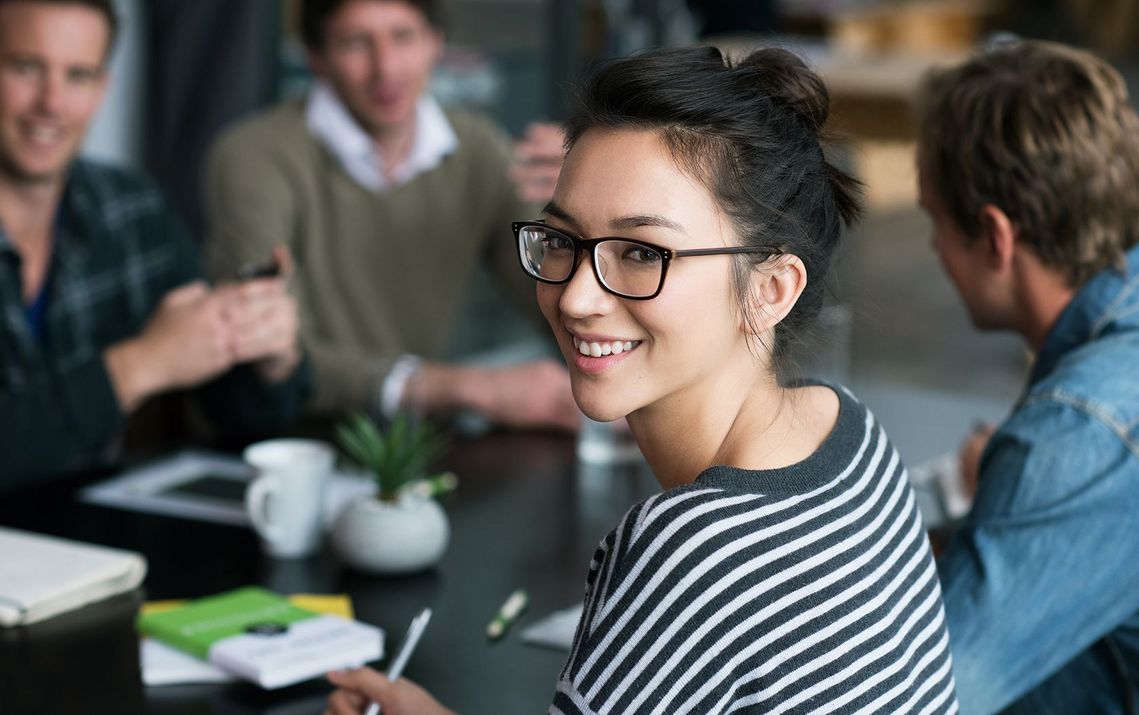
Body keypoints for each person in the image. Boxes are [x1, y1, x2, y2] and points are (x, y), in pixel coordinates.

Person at [325, 46, 959, 714]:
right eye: (562, 240)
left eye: (640, 253)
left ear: (770, 288)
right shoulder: (847, 432)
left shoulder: (690, 548)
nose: (575, 297)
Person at [205, 0, 578, 430]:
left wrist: (580, 214)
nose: (385, 68)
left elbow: (555, 303)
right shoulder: (254, 156)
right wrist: (469, 387)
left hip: (412, 441)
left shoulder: (478, 149)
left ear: (435, 42)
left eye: (403, 36)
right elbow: (277, 353)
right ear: (317, 58)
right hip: (286, 439)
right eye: (355, 42)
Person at [0, 0, 308, 488]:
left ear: (103, 90)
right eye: (26, 68)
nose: (52, 103)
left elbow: (241, 418)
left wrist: (267, 355)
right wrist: (140, 365)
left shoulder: (132, 208)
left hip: (89, 542)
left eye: (78, 76)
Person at [916, 40, 1139, 713]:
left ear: (994, 236)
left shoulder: (1075, 430)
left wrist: (1032, 476)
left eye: (934, 221)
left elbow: (930, 695)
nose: (930, 247)